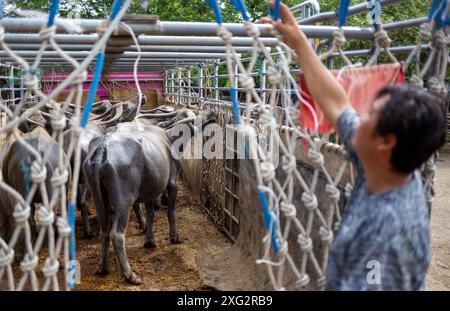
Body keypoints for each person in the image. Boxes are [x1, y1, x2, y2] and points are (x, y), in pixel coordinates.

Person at [262, 2, 447, 290]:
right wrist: (299, 43)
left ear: (386, 141)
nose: (359, 117)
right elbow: (338, 103)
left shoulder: (386, 232)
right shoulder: (383, 162)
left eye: (370, 114)